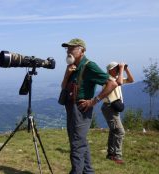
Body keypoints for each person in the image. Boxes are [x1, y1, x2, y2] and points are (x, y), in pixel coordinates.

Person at [61, 38, 118, 174]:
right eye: (67, 48)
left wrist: (94, 101)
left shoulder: (89, 65)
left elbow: (112, 84)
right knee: (80, 142)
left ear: (82, 50)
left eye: (72, 48)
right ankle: (88, 172)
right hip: (71, 107)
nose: (68, 51)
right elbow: (64, 86)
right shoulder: (72, 66)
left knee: (76, 145)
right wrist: (67, 73)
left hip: (81, 110)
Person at [101, 62, 134, 164]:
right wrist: (121, 69)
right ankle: (117, 156)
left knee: (113, 131)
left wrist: (126, 69)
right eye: (116, 68)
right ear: (110, 70)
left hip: (113, 107)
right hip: (109, 107)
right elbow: (119, 82)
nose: (117, 70)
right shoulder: (107, 78)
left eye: (117, 68)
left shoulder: (115, 78)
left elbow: (131, 80)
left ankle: (111, 154)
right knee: (120, 131)